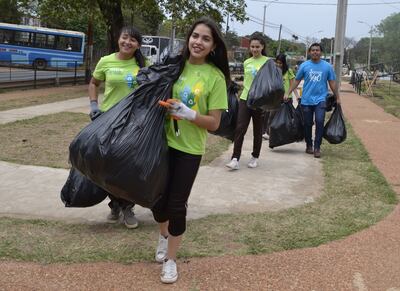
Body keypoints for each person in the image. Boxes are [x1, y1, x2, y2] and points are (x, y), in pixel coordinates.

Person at [152, 17, 229, 284]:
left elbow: (215, 123)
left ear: (213, 46)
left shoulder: (215, 77)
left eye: (206, 39)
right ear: (189, 38)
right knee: (157, 201)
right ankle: (163, 236)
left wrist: (189, 113)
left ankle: (171, 260)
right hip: (161, 143)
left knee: (176, 205)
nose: (198, 42)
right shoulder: (174, 66)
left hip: (189, 150)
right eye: (195, 36)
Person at [88, 26, 148, 228]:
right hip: (107, 120)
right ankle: (115, 204)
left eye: (133, 40)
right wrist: (94, 105)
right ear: (118, 39)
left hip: (132, 122)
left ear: (138, 45)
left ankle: (128, 207)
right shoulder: (106, 61)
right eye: (125, 38)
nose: (127, 42)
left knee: (128, 167)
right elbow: (94, 83)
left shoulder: (142, 64)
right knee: (107, 165)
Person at [285, 43, 341, 158]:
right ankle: (309, 145)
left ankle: (317, 147)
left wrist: (338, 97)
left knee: (320, 121)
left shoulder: (327, 67)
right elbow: (296, 81)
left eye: (317, 50)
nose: (315, 52)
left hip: (321, 99)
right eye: (313, 50)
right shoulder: (304, 66)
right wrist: (288, 92)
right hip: (306, 100)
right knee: (307, 124)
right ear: (310, 52)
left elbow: (332, 83)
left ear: (321, 52)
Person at [225, 33, 268, 170]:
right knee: (240, 128)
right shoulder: (247, 62)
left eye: (257, 47)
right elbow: (247, 80)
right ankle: (235, 158)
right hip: (245, 98)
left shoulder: (268, 62)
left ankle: (255, 157)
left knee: (257, 130)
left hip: (259, 101)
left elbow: (271, 83)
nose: (255, 49)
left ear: (262, 47)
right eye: (252, 47)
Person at [262, 53, 301, 139]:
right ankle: (269, 133)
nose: (279, 65)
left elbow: (292, 85)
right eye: (277, 62)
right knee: (272, 116)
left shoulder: (289, 71)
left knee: (288, 117)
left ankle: (289, 134)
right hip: (275, 98)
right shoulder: (273, 71)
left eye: (281, 63)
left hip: (286, 98)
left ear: (284, 63)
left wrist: (296, 95)